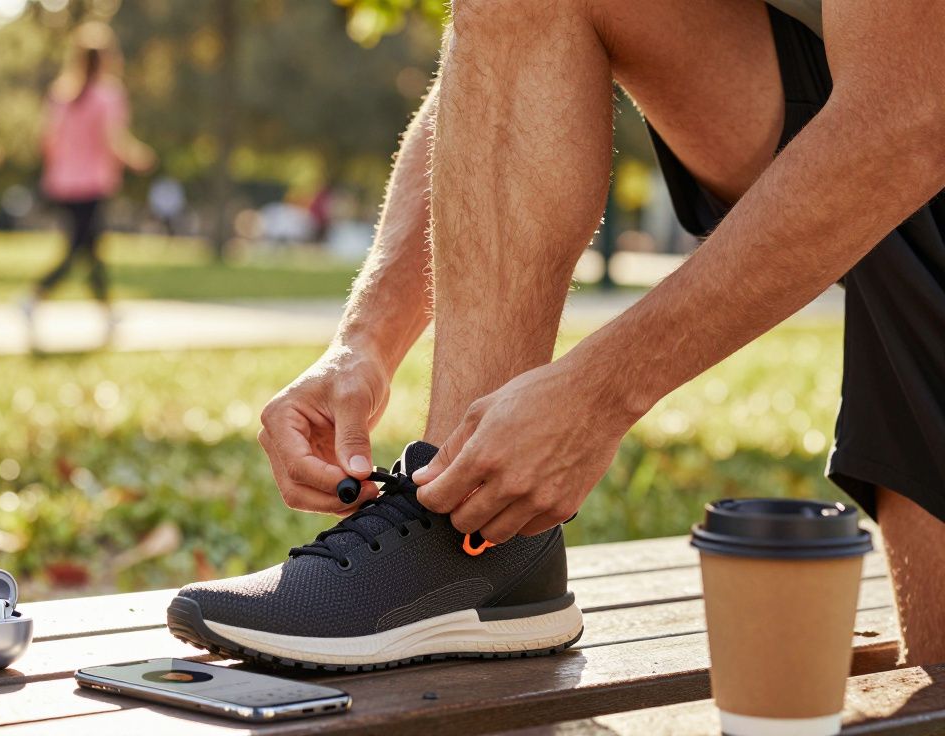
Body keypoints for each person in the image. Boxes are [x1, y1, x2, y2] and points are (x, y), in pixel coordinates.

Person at [170, 0, 945, 670]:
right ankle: (468, 540)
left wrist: (598, 392)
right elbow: (504, 66)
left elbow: (913, 113)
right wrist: (365, 340)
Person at [23, 22, 153, 330]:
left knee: (91, 248)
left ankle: (107, 312)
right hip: (92, 183)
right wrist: (137, 158)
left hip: (62, 183)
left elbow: (47, 141)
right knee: (80, 248)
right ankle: (34, 295)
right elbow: (113, 140)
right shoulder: (107, 95)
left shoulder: (61, 93)